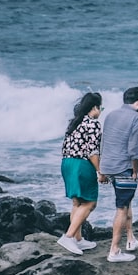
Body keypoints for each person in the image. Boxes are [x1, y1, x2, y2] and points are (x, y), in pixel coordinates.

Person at [98, 86, 138, 263]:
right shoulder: (137, 117)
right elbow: (134, 149)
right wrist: (135, 170)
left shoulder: (110, 115)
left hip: (108, 165)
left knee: (125, 201)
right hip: (123, 166)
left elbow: (104, 142)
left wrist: (102, 170)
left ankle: (131, 239)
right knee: (121, 208)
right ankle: (114, 250)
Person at [58, 92, 104, 255]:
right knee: (90, 203)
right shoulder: (93, 124)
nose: (101, 112)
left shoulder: (74, 123)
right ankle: (68, 236)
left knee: (77, 202)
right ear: (94, 108)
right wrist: (100, 171)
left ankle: (78, 239)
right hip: (81, 164)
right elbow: (92, 151)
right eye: (101, 108)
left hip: (67, 163)